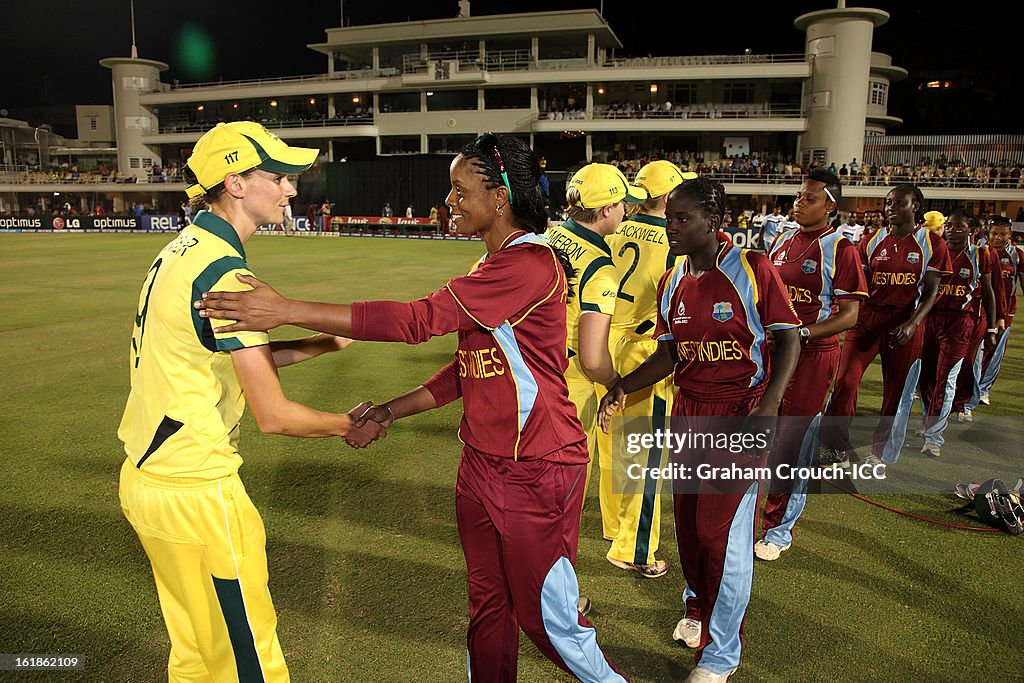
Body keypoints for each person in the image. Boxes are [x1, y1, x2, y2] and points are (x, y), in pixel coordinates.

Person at [196, 133, 630, 683]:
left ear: (499, 198)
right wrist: (391, 410)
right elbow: (466, 372)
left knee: (549, 620)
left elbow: (414, 322)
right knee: (489, 608)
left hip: (537, 465)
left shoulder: (530, 264)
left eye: (458, 190)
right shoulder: (487, 268)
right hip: (480, 464)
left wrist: (285, 309)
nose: (449, 201)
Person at [118, 121, 382, 682]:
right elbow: (274, 415)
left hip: (148, 480)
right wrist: (347, 424)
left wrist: (318, 342)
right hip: (200, 492)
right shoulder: (226, 273)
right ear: (235, 183)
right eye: (280, 176)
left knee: (196, 656)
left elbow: (221, 354)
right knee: (250, 665)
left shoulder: (177, 254)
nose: (291, 189)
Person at [599, 177, 800, 683]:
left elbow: (788, 337)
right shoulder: (671, 281)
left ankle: (721, 655)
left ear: (714, 221)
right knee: (689, 528)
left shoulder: (752, 269)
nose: (671, 228)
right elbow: (669, 352)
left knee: (723, 534)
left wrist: (771, 403)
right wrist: (622, 385)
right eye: (670, 217)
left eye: (682, 219)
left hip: (741, 413)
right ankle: (697, 608)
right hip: (689, 412)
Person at [757, 169, 866, 561]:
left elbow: (850, 314)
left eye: (809, 198)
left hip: (813, 356)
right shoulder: (783, 240)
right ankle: (755, 512)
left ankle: (779, 528)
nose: (799, 203)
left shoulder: (841, 248)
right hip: (774, 350)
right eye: (799, 197)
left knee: (794, 442)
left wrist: (803, 334)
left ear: (830, 206)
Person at [598, 160, 694, 579]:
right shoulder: (676, 243)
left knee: (609, 442)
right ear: (669, 196)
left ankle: (614, 527)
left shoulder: (617, 228)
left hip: (601, 340)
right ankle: (634, 549)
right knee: (644, 454)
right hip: (643, 350)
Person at [819, 184, 952, 468]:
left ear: (915, 206)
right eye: (888, 202)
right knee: (845, 383)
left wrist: (914, 324)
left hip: (906, 322)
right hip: (867, 321)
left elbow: (931, 292)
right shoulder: (869, 240)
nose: (890, 207)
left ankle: (878, 453)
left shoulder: (932, 243)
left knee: (896, 393)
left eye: (898, 202)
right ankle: (837, 448)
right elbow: (859, 284)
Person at [546, 164, 647, 508]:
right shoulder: (600, 266)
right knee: (561, 488)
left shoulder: (548, 237)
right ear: (607, 210)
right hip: (569, 384)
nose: (625, 212)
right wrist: (616, 383)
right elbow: (592, 359)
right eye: (622, 205)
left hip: (526, 371)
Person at [918, 208, 1000, 455]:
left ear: (971, 230)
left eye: (959, 227)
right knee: (926, 377)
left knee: (947, 378)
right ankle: (928, 423)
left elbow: (988, 292)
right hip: (929, 320)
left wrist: (992, 328)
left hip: (959, 324)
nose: (953, 231)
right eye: (950, 226)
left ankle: (934, 437)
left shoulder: (978, 255)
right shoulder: (933, 250)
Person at [969, 216, 1023, 410]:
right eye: (994, 234)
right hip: (978, 311)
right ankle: (969, 389)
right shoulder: (979, 251)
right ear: (987, 234)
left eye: (1002, 234)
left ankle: (984, 390)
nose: (998, 237)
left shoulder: (1016, 255)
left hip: (1006, 313)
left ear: (1010, 235)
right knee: (974, 353)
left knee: (994, 353)